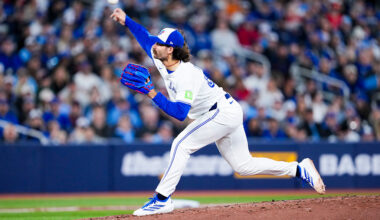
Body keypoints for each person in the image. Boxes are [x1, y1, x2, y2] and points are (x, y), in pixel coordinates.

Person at [110, 8, 326, 216]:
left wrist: (150, 92)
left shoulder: (186, 75)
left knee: (181, 144)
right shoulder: (161, 56)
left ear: (170, 49)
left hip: (221, 112)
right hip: (222, 111)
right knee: (244, 165)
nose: (154, 45)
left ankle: (162, 199)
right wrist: (126, 19)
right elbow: (144, 36)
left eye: (160, 43)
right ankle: (298, 169)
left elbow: (180, 113)